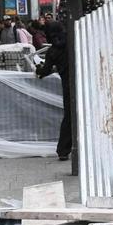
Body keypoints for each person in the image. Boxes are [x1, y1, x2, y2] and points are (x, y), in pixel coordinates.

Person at [35, 21, 71, 161]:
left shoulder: (53, 51)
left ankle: (63, 150)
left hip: (68, 87)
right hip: (82, 82)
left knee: (69, 117)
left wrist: (39, 70)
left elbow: (45, 71)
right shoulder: (72, 41)